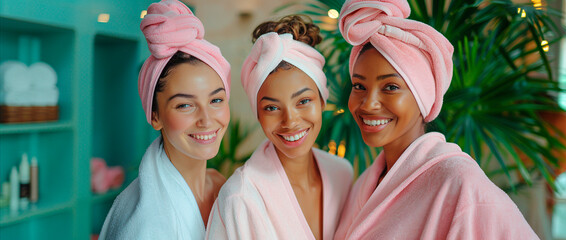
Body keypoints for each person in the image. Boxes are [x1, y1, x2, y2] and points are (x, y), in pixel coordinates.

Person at [333, 0, 539, 239]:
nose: (368, 103)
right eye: (359, 85)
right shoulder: (365, 183)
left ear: (423, 97)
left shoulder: (460, 182)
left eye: (390, 87)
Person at [206, 15, 353, 240]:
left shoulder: (341, 174)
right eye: (272, 108)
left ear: (322, 100)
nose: (290, 121)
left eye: (303, 101)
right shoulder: (241, 197)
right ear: (258, 113)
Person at [99, 0, 231, 238]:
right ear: (155, 116)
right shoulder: (147, 224)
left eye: (216, 100)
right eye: (185, 105)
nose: (206, 119)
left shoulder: (221, 186)